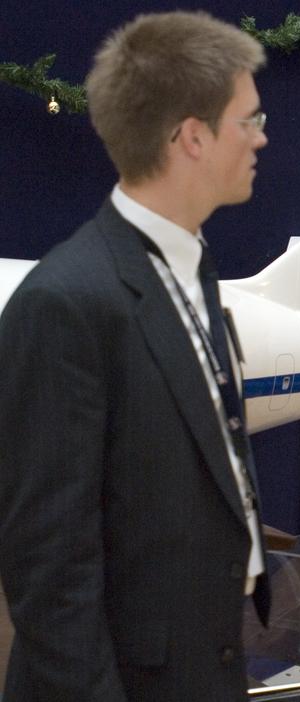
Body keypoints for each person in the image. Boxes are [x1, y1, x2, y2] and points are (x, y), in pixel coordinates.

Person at [0, 12, 271, 700]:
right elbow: (49, 568)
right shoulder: (65, 302)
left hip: (201, 659)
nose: (261, 137)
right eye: (248, 119)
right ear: (191, 138)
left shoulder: (191, 266)